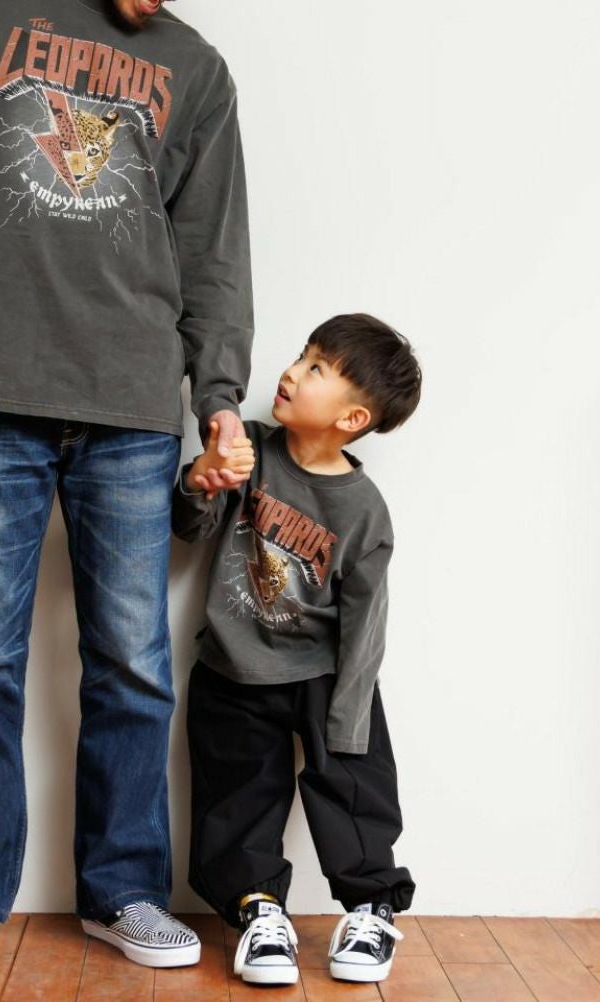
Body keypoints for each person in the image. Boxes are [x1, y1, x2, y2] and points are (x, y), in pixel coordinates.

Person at [0, 0, 253, 974]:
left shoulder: (196, 68)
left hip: (132, 399)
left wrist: (220, 398)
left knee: (132, 661)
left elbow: (214, 252)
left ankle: (123, 890)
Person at [172, 314, 421, 986]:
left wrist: (349, 714)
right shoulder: (249, 450)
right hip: (234, 665)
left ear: (352, 417)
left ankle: (371, 907)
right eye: (302, 356)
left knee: (354, 779)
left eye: (316, 368)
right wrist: (202, 478)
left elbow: (366, 620)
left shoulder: (364, 510)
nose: (290, 372)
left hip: (324, 672)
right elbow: (189, 529)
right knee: (236, 795)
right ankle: (257, 911)